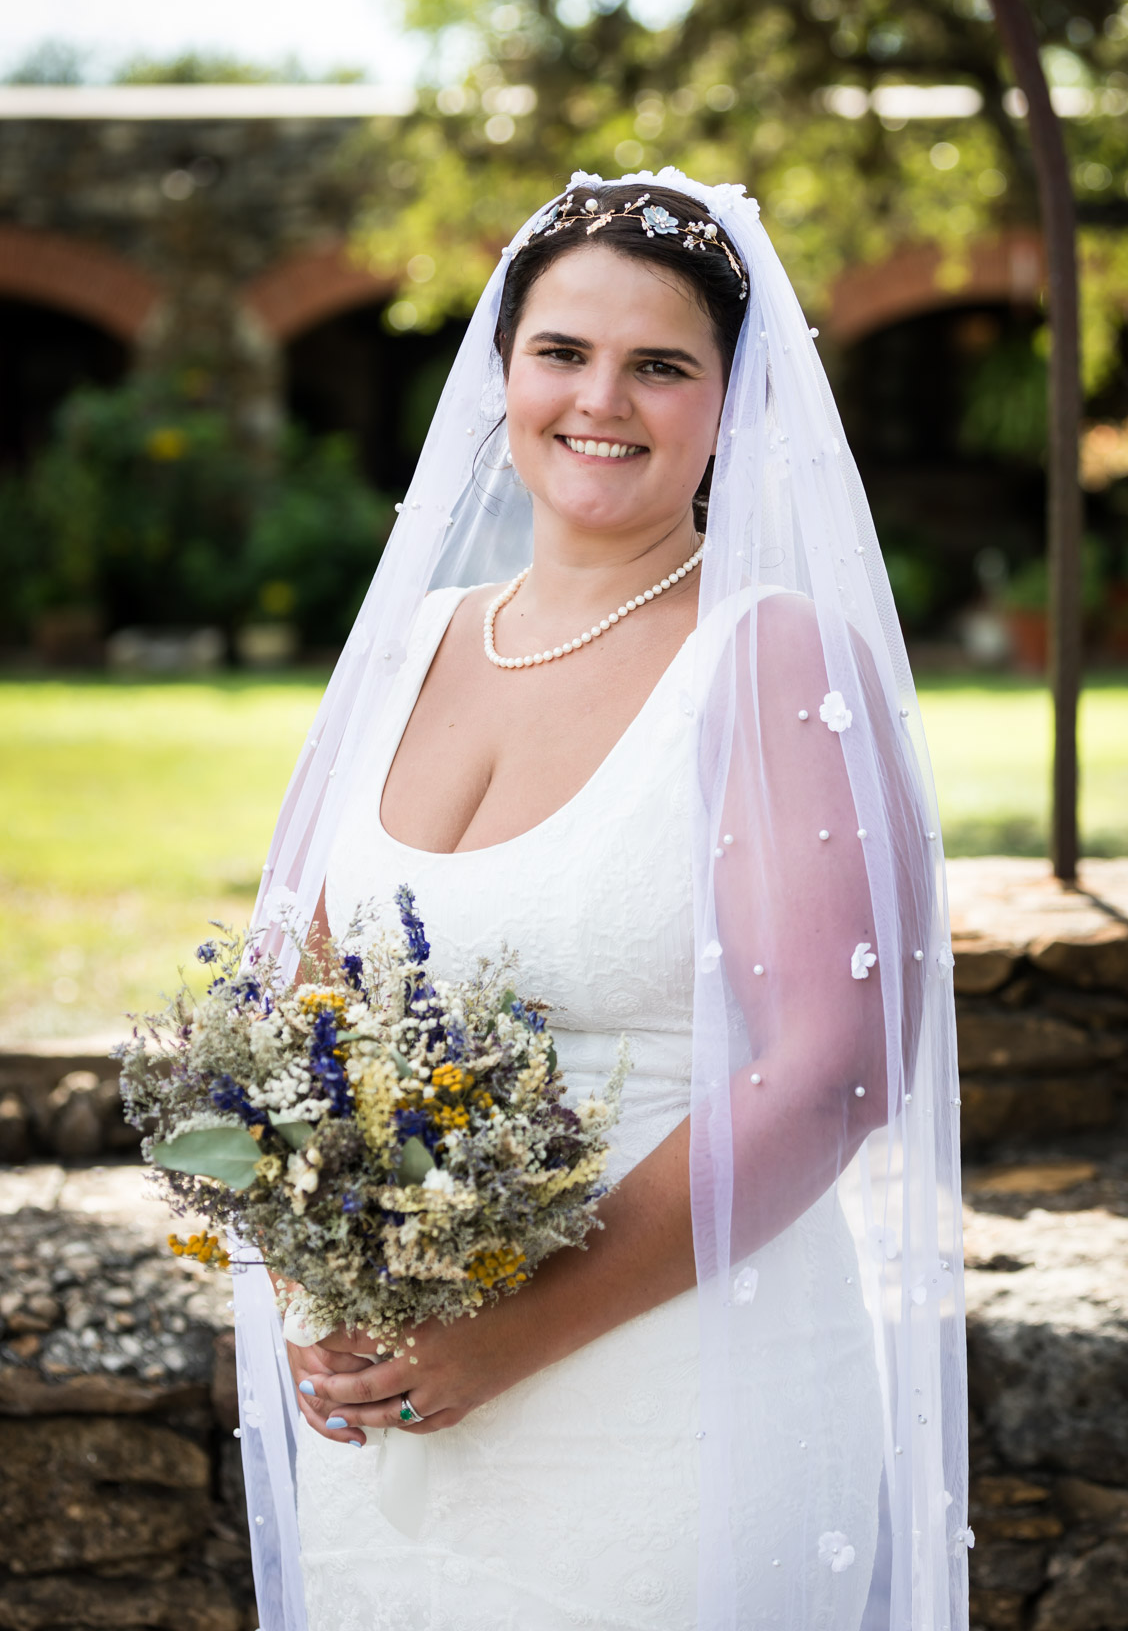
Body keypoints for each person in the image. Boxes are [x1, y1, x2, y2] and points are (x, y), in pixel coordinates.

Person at [233, 171, 969, 1631]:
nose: (602, 402)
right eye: (562, 352)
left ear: (731, 403)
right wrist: (324, 1287)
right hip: (398, 1422)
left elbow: (830, 1073)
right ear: (502, 369)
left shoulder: (770, 658)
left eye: (661, 366)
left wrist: (500, 1337)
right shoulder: (412, 644)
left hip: (671, 1403)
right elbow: (287, 1008)